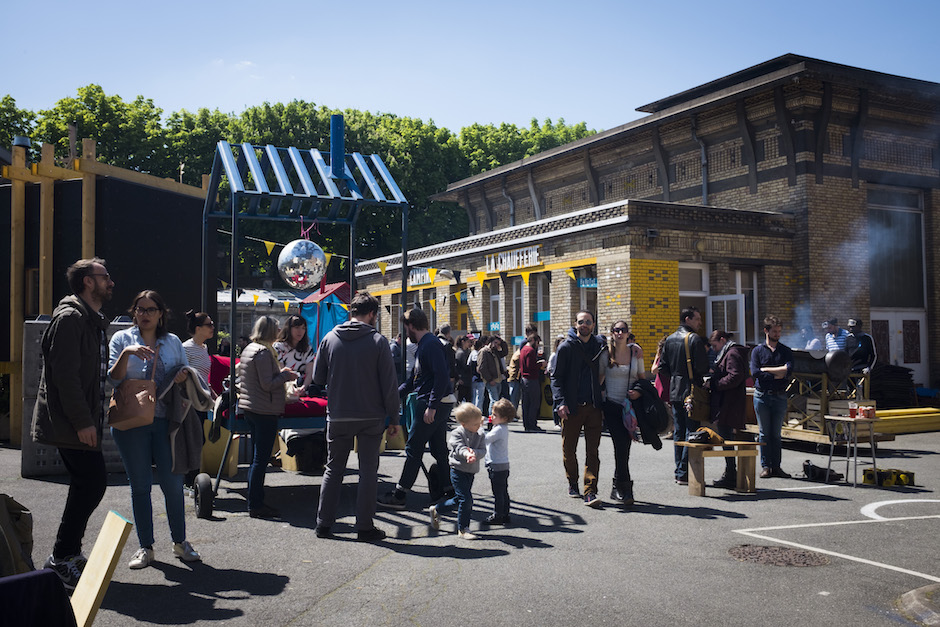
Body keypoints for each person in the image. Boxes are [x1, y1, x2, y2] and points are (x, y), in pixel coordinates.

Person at [31, 258, 113, 589]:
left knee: (87, 483)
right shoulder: (70, 319)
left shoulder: (88, 320)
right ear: (87, 282)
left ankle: (67, 554)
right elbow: (63, 378)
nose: (110, 282)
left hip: (79, 421)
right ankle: (62, 557)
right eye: (104, 277)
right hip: (70, 423)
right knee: (91, 482)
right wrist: (83, 421)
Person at [108, 290, 200, 569]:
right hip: (131, 421)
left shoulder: (172, 342)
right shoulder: (121, 338)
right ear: (134, 312)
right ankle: (145, 547)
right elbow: (113, 378)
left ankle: (180, 542)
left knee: (173, 485)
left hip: (167, 422)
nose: (145, 314)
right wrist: (127, 353)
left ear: (161, 314)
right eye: (140, 309)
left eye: (151, 309)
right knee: (140, 486)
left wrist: (183, 374)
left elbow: (184, 375)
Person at [313, 292, 400, 542]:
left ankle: (324, 523)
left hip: (338, 413)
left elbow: (318, 379)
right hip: (371, 415)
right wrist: (393, 418)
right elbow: (389, 384)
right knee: (368, 471)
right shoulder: (378, 341)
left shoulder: (329, 338)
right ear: (372, 313)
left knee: (333, 469)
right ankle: (364, 526)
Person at [378, 307, 454, 510]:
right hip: (438, 402)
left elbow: (441, 376)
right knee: (438, 448)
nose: (405, 332)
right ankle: (449, 491)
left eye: (406, 327)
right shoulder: (424, 345)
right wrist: (394, 395)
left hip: (432, 403)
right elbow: (415, 380)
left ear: (411, 326)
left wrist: (431, 406)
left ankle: (401, 494)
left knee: (413, 447)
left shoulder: (430, 345)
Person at [236, 316, 299, 519]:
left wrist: (280, 373)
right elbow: (267, 383)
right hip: (264, 409)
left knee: (258, 458)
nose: (280, 329)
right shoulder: (263, 353)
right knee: (260, 459)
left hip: (253, 408)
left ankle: (255, 500)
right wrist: (286, 376)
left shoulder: (251, 349)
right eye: (277, 327)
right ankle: (256, 504)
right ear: (270, 331)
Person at [550, 310, 608, 507]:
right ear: (575, 324)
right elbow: (556, 377)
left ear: (593, 325)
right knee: (569, 449)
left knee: (593, 451)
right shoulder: (566, 347)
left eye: (588, 322)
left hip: (593, 407)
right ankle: (572, 482)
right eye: (581, 322)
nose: (584, 325)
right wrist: (560, 402)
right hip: (572, 407)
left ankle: (590, 490)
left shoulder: (599, 346)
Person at [658, 307, 709, 484]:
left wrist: (675, 375)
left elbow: (662, 368)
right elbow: (702, 368)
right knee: (691, 431)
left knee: (679, 431)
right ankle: (684, 471)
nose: (700, 323)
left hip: (675, 390)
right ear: (687, 319)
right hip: (691, 391)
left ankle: (679, 471)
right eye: (697, 319)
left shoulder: (670, 339)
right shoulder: (694, 339)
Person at [428, 402, 487, 540]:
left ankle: (437, 509)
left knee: (459, 499)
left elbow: (483, 450)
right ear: (464, 424)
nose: (478, 426)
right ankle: (463, 528)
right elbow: (458, 447)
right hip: (457, 470)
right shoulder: (457, 433)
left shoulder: (479, 433)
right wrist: (467, 453)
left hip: (471, 471)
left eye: (479, 423)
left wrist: (476, 454)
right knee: (466, 499)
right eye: (475, 424)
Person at [602, 320, 644, 505]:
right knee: (621, 445)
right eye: (616, 330)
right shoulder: (606, 354)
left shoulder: (636, 353)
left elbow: (642, 379)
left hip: (629, 408)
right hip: (612, 406)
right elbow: (598, 379)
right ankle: (625, 489)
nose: (619, 333)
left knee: (624, 447)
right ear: (612, 333)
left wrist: (638, 392)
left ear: (628, 333)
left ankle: (617, 486)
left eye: (623, 330)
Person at [750, 315, 794, 479]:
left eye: (779, 331)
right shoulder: (758, 351)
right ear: (766, 331)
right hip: (762, 396)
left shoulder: (785, 351)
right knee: (764, 433)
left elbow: (788, 371)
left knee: (776, 433)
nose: (777, 334)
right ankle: (766, 466)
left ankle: (777, 466)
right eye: (774, 331)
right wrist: (777, 372)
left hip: (780, 396)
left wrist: (766, 370)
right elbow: (755, 373)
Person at [707, 330, 750, 489]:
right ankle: (731, 472)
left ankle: (731, 473)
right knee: (726, 439)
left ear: (722, 340)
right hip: (728, 402)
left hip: (729, 403)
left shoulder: (731, 353)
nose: (714, 349)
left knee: (727, 439)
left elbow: (735, 376)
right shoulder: (730, 352)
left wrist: (715, 384)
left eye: (715, 345)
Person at [485, 398, 513, 525]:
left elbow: (485, 439)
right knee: (503, 491)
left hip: (496, 465)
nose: (492, 416)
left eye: (495, 415)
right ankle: (505, 513)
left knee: (497, 493)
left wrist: (478, 429)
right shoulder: (502, 427)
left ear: (504, 418)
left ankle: (498, 515)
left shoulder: (498, 430)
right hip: (503, 465)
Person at [273, 314, 315, 388]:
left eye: (303, 328)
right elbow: (280, 371)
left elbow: (310, 372)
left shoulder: (308, 349)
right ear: (288, 329)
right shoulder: (278, 347)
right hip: (283, 387)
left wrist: (303, 388)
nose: (300, 331)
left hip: (302, 386)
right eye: (297, 327)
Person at [183, 310, 215, 392]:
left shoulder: (204, 348)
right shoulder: (186, 348)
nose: (213, 328)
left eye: (212, 324)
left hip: (203, 396)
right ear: (198, 329)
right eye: (209, 325)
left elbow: (204, 378)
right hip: (191, 398)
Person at [519, 333, 545, 432]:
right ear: (533, 340)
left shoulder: (523, 349)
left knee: (526, 403)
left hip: (524, 379)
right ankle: (532, 424)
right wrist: (540, 364)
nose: (538, 345)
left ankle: (527, 424)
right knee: (534, 402)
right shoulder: (530, 351)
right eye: (537, 342)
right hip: (531, 379)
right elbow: (531, 366)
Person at [476, 336, 504, 409]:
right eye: (495, 343)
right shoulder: (484, 351)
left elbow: (504, 353)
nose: (496, 345)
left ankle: (493, 417)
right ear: (490, 342)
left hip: (498, 379)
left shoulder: (495, 351)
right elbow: (482, 368)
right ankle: (492, 418)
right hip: (491, 380)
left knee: (497, 401)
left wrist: (502, 343)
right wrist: (490, 379)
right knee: (494, 401)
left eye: (498, 344)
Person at [547, 334, 565, 430]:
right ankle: (556, 422)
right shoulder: (554, 355)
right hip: (555, 380)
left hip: (562, 380)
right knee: (556, 400)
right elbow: (549, 368)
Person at [454, 334, 474, 403]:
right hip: (462, 380)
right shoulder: (460, 353)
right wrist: (458, 378)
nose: (470, 344)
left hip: (468, 379)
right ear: (463, 342)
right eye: (468, 342)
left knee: (468, 399)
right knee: (461, 399)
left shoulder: (468, 352)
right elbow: (457, 367)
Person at [469, 336, 487, 411]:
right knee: (480, 397)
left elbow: (468, 364)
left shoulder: (472, 353)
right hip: (480, 378)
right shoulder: (480, 354)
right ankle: (478, 412)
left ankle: (472, 411)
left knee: (473, 396)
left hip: (473, 378)